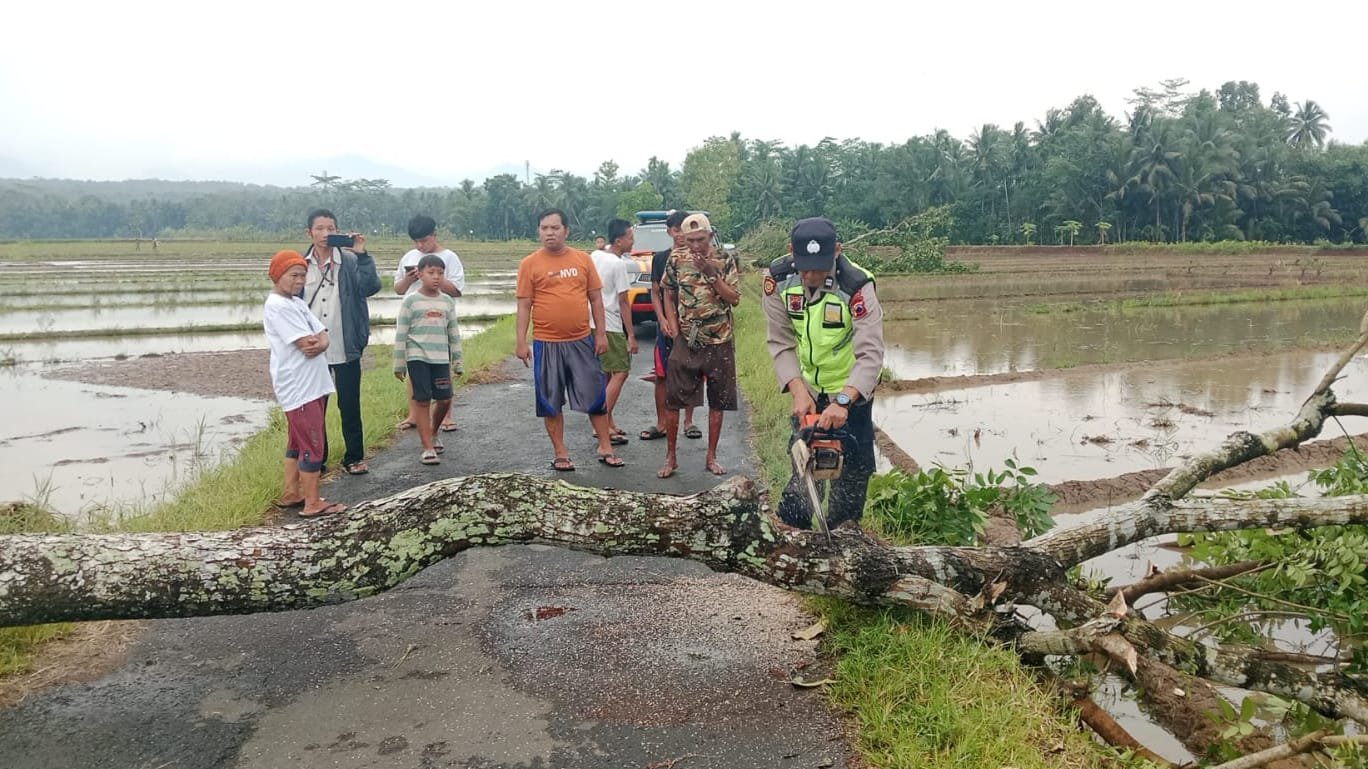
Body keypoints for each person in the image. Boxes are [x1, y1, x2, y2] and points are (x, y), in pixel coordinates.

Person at [764, 217, 885, 529]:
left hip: (851, 395)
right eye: (804, 267)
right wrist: (798, 389)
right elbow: (780, 340)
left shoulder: (856, 284)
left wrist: (843, 401)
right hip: (809, 391)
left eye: (819, 267)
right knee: (802, 476)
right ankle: (792, 540)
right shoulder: (777, 279)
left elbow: (870, 354)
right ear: (791, 252)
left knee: (850, 483)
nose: (810, 275)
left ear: (837, 252)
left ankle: (843, 543)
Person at [515, 209, 623, 471]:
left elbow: (596, 298)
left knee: (595, 395)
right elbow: (524, 304)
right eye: (544, 228)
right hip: (546, 342)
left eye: (555, 228)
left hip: (581, 340)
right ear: (539, 231)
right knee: (549, 400)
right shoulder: (530, 264)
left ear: (566, 231)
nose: (549, 233)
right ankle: (561, 452)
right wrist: (521, 341)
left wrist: (600, 334)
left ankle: (605, 446)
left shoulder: (582, 260)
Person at [263, 250, 345, 518]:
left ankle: (291, 493)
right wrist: (320, 341)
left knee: (297, 442)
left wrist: (321, 340)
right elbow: (308, 344)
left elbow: (322, 334)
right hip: (300, 386)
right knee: (313, 443)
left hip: (313, 383)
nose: (299, 281)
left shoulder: (296, 303)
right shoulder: (277, 305)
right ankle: (312, 502)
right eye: (293, 275)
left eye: (302, 275)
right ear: (277, 276)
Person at [659, 213, 741, 478]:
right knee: (674, 398)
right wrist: (671, 322)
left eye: (701, 239)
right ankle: (671, 456)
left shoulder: (725, 259)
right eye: (690, 240)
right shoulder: (676, 259)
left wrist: (711, 274)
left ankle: (711, 456)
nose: (696, 245)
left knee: (718, 400)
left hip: (719, 338)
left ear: (710, 236)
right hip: (686, 338)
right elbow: (667, 292)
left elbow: (734, 298)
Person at [301, 209, 382, 475]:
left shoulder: (350, 261)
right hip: (312, 350)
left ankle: (354, 457)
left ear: (337, 231)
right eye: (320, 228)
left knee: (349, 403)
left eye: (330, 228)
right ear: (309, 233)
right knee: (315, 407)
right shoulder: (300, 265)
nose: (325, 234)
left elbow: (371, 287)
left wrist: (362, 253)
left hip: (345, 343)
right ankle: (318, 460)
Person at [394, 215, 465, 433]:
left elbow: (457, 290)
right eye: (416, 241)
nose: (420, 245)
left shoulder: (449, 257)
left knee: (442, 367)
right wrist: (411, 278)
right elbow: (398, 289)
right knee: (416, 367)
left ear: (434, 235)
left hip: (439, 322)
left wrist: (434, 276)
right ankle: (414, 414)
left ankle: (447, 416)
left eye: (424, 240)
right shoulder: (410, 256)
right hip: (416, 322)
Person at [393, 254, 464, 466]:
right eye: (431, 273)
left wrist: (458, 361)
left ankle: (433, 432)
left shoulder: (447, 302)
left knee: (444, 399)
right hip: (418, 358)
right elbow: (401, 334)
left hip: (441, 358)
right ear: (420, 275)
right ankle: (427, 447)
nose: (436, 277)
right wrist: (399, 364)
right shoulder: (410, 302)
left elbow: (454, 333)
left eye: (440, 273)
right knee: (422, 401)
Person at [639, 210, 698, 443]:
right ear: (670, 232)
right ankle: (662, 422)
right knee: (662, 376)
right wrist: (662, 319)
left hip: (692, 327)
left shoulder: (698, 258)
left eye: (685, 230)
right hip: (666, 329)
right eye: (677, 230)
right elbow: (656, 292)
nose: (681, 235)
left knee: (691, 375)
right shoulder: (660, 258)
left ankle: (689, 421)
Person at [590, 219, 639, 445]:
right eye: (630, 237)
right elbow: (623, 301)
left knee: (606, 374)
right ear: (619, 241)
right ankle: (600, 422)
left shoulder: (595, 256)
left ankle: (609, 422)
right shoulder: (618, 264)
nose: (633, 241)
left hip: (591, 323)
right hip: (610, 324)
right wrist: (631, 334)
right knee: (621, 371)